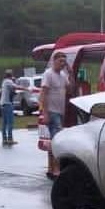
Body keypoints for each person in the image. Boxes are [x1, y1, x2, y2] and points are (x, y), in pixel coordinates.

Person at [40, 51, 70, 179]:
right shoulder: (48, 74)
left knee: (53, 141)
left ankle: (50, 168)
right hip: (52, 111)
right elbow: (43, 94)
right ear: (54, 61)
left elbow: (70, 89)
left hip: (60, 111)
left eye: (64, 61)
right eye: (60, 61)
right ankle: (56, 169)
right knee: (57, 141)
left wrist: (71, 73)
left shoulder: (63, 75)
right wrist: (45, 113)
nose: (62, 64)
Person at [0, 69, 20, 146]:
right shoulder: (8, 81)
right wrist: (26, 89)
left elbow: (12, 91)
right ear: (11, 75)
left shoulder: (4, 81)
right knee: (10, 122)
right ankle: (10, 139)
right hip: (8, 104)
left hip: (3, 104)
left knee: (4, 123)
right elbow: (16, 87)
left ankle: (4, 139)